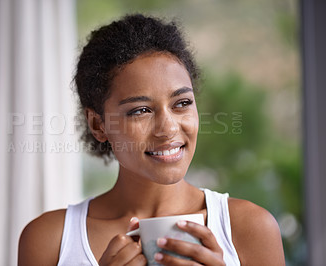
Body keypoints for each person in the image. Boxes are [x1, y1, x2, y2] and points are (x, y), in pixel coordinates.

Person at [18, 14, 285, 266]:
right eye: (141, 110)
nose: (168, 128)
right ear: (98, 124)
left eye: (181, 103)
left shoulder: (250, 228)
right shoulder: (49, 239)